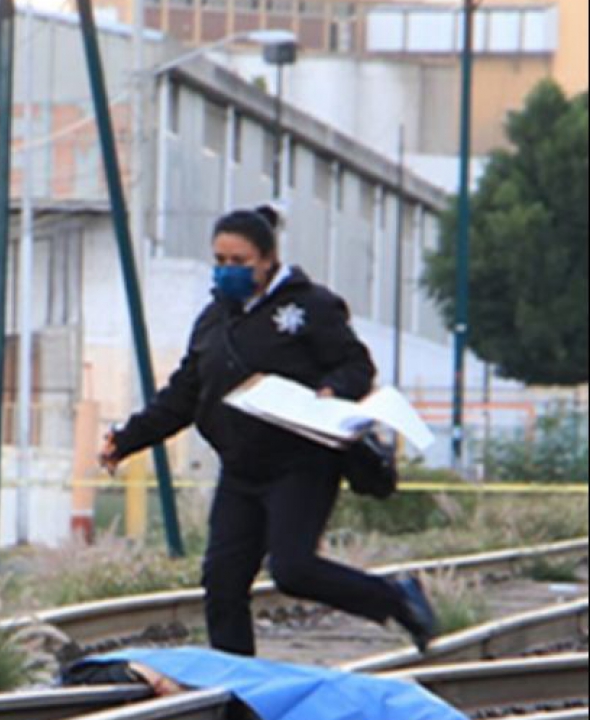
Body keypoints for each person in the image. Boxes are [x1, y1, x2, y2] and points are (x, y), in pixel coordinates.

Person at [99, 206, 437, 657]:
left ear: (267, 260)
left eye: (239, 262)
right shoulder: (213, 320)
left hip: (301, 464)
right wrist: (126, 440)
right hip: (241, 469)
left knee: (293, 569)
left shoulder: (311, 306)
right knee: (222, 581)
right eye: (220, 261)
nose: (228, 271)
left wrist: (333, 388)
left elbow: (357, 364)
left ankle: (396, 598)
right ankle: (238, 691)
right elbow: (183, 395)